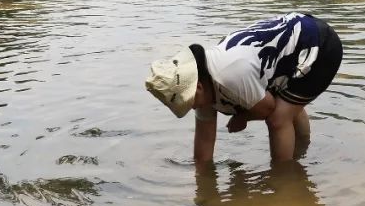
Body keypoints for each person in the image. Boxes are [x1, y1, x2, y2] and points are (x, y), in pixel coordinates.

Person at [145, 12, 343, 163]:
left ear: (198, 88)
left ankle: (284, 179)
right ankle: (301, 154)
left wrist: (242, 117)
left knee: (278, 118)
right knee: (287, 105)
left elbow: (267, 107)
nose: (193, 108)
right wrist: (203, 188)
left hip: (319, 46)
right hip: (286, 54)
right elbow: (204, 141)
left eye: (190, 103)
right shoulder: (200, 79)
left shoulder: (230, 76)